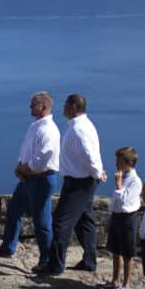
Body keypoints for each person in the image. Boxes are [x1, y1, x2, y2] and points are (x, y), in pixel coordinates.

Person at [0, 91, 60, 263]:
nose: (30, 107)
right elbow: (27, 151)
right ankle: (8, 246)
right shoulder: (35, 126)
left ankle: (46, 259)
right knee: (14, 211)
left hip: (41, 179)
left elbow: (44, 158)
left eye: (33, 104)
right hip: (28, 178)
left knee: (42, 221)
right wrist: (20, 168)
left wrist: (25, 170)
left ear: (43, 107)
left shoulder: (49, 130)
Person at [44, 94, 106, 275]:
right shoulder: (83, 125)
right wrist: (96, 173)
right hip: (82, 180)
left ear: (72, 106)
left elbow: (90, 155)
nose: (63, 108)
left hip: (79, 183)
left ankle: (55, 265)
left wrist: (96, 173)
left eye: (65, 105)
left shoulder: (79, 129)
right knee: (84, 221)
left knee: (60, 222)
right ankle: (89, 260)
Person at [107, 147, 141, 289]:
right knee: (116, 250)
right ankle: (115, 280)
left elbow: (124, 200)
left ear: (130, 163)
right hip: (117, 216)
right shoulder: (123, 176)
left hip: (128, 218)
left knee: (127, 253)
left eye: (119, 162)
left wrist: (119, 185)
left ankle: (126, 285)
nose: (116, 165)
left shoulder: (135, 181)